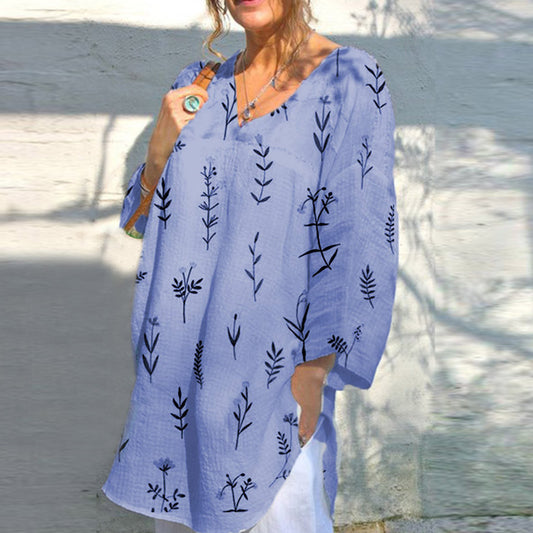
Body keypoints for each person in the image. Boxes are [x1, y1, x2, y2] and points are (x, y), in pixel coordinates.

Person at [101, 1, 399, 532]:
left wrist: (314, 371)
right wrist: (158, 153)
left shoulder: (350, 78)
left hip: (275, 378)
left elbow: (361, 232)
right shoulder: (197, 84)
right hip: (176, 382)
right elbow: (138, 223)